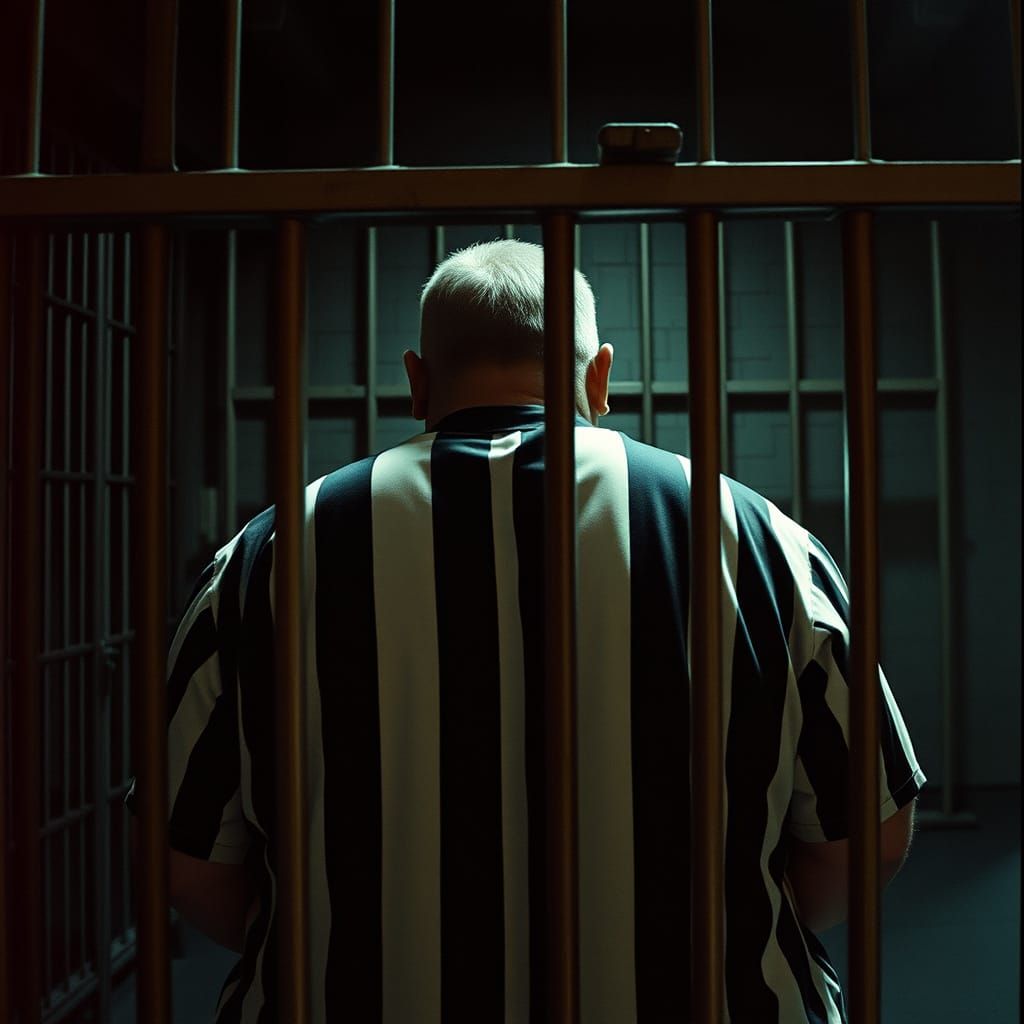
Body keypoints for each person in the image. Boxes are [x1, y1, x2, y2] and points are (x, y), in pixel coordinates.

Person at [127, 239, 925, 1023]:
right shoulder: (759, 537)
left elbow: (184, 856)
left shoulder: (270, 551)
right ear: (600, 376)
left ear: (415, 380)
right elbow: (872, 833)